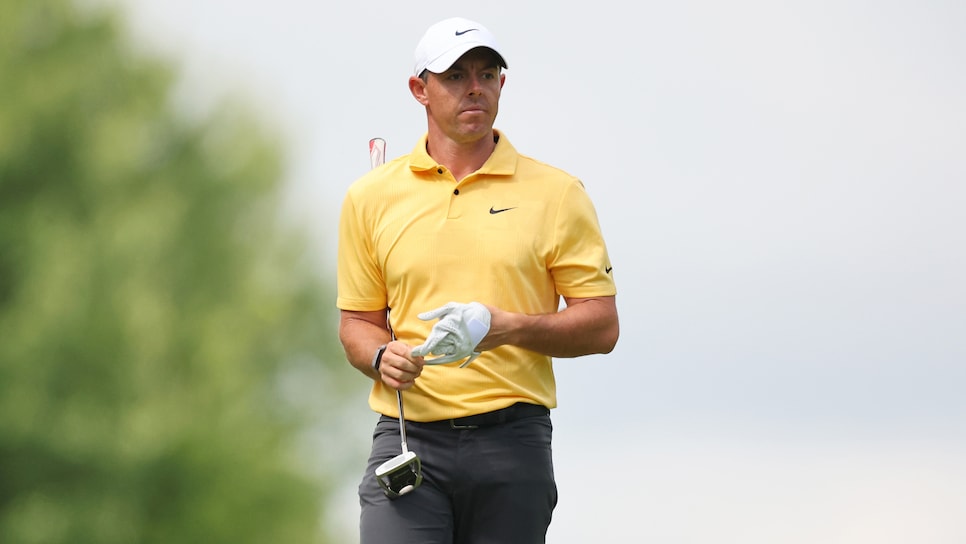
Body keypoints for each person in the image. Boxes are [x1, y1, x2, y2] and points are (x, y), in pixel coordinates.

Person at [337, 16, 619, 544]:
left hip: (512, 440)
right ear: (420, 90)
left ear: (501, 85)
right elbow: (357, 324)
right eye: (455, 76)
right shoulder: (370, 198)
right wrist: (381, 357)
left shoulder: (557, 194)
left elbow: (601, 326)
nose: (474, 88)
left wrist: (506, 328)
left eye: (486, 74)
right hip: (408, 438)